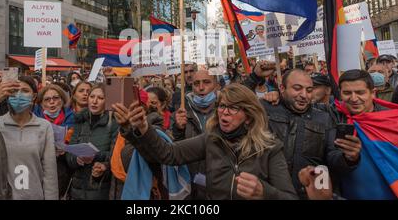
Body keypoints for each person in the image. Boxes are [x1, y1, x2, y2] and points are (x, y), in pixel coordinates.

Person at [115, 84, 298, 200]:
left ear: (249, 117)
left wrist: (264, 193)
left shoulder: (270, 148)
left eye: (233, 108)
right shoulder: (211, 139)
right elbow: (168, 154)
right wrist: (142, 128)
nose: (225, 112)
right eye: (222, 106)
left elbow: (289, 197)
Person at [247, 66, 359, 198]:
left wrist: (348, 158)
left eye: (309, 90)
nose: (304, 95)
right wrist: (254, 77)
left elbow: (332, 156)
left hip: (307, 194)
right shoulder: (265, 109)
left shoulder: (323, 118)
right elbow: (234, 101)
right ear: (282, 89)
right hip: (268, 192)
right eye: (297, 88)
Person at [335, 70, 396, 200]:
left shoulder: (391, 120)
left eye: (360, 92)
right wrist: (348, 159)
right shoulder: (333, 117)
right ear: (340, 94)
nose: (353, 98)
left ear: (373, 93)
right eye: (347, 93)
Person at [171, 70, 218, 199]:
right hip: (191, 185)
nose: (201, 87)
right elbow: (173, 151)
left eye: (206, 82)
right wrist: (178, 129)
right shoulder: (180, 113)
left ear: (216, 85)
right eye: (196, 83)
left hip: (220, 183)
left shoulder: (225, 110)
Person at [66, 84, 118, 200]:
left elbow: (116, 156)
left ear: (107, 101)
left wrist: (98, 158)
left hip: (101, 190)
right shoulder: (80, 121)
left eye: (100, 98)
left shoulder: (114, 123)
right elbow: (69, 155)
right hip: (77, 191)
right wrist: (76, 159)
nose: (94, 101)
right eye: (92, 96)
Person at [36, 84, 75, 198]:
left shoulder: (73, 118)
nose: (52, 102)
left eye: (56, 98)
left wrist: (66, 150)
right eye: (47, 99)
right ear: (41, 104)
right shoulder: (34, 120)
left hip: (63, 170)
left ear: (62, 100)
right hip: (40, 170)